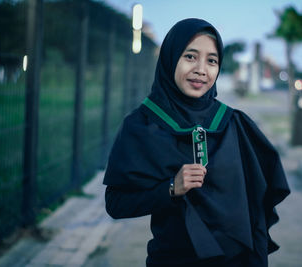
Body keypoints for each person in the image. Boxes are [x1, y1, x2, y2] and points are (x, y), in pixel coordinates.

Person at [103, 18, 290, 267]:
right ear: (170, 59)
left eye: (212, 61)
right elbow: (116, 203)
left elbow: (256, 211)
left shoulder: (234, 124)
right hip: (172, 259)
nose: (201, 69)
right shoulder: (142, 126)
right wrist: (171, 188)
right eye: (190, 57)